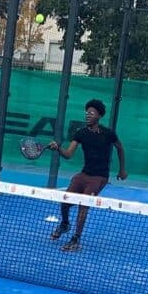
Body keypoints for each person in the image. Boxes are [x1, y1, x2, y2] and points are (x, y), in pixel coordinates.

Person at [47, 99, 127, 252]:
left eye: (91, 113)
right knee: (65, 201)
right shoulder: (81, 133)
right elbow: (69, 154)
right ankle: (64, 224)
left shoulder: (108, 134)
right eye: (86, 113)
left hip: (99, 177)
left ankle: (76, 239)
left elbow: (120, 148)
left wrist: (122, 170)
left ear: (99, 115)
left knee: (84, 205)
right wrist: (58, 148)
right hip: (84, 174)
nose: (87, 115)